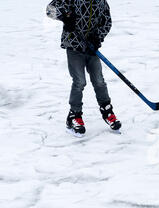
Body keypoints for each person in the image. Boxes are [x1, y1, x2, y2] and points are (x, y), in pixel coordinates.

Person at [46, 0, 121, 137]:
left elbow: (107, 22)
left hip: (91, 48)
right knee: (80, 81)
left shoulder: (101, 2)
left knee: (99, 80)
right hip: (74, 46)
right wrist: (65, 17)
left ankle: (107, 111)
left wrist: (97, 37)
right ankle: (74, 115)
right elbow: (50, 9)